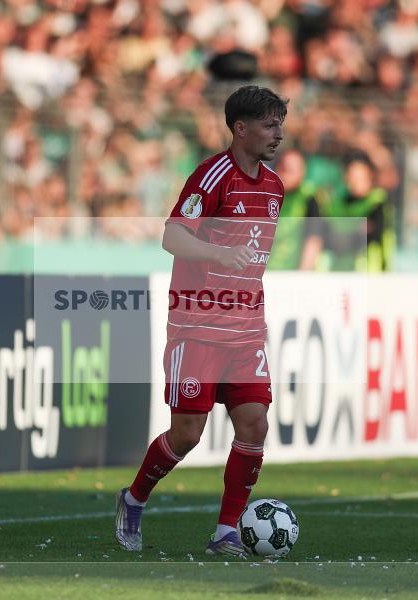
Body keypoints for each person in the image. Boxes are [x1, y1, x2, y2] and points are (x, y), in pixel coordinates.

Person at [114, 85, 288, 558]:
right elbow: (172, 236)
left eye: (280, 124)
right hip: (198, 326)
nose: (278, 134)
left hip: (246, 328)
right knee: (188, 433)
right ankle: (133, 499)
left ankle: (226, 531)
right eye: (269, 124)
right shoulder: (212, 177)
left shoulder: (274, 187)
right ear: (240, 128)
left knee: (254, 424)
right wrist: (218, 252)